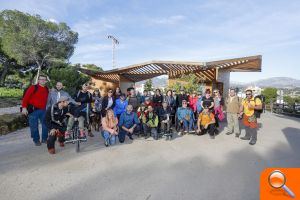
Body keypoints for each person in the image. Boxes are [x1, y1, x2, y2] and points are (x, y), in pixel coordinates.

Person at [21, 75, 49, 146]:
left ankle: (44, 139)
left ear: (46, 81)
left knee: (45, 125)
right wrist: (24, 107)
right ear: (38, 80)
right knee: (34, 126)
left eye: (44, 79)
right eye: (41, 79)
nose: (42, 80)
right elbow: (25, 98)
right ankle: (36, 140)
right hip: (33, 110)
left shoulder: (46, 89)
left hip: (43, 110)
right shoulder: (33, 87)